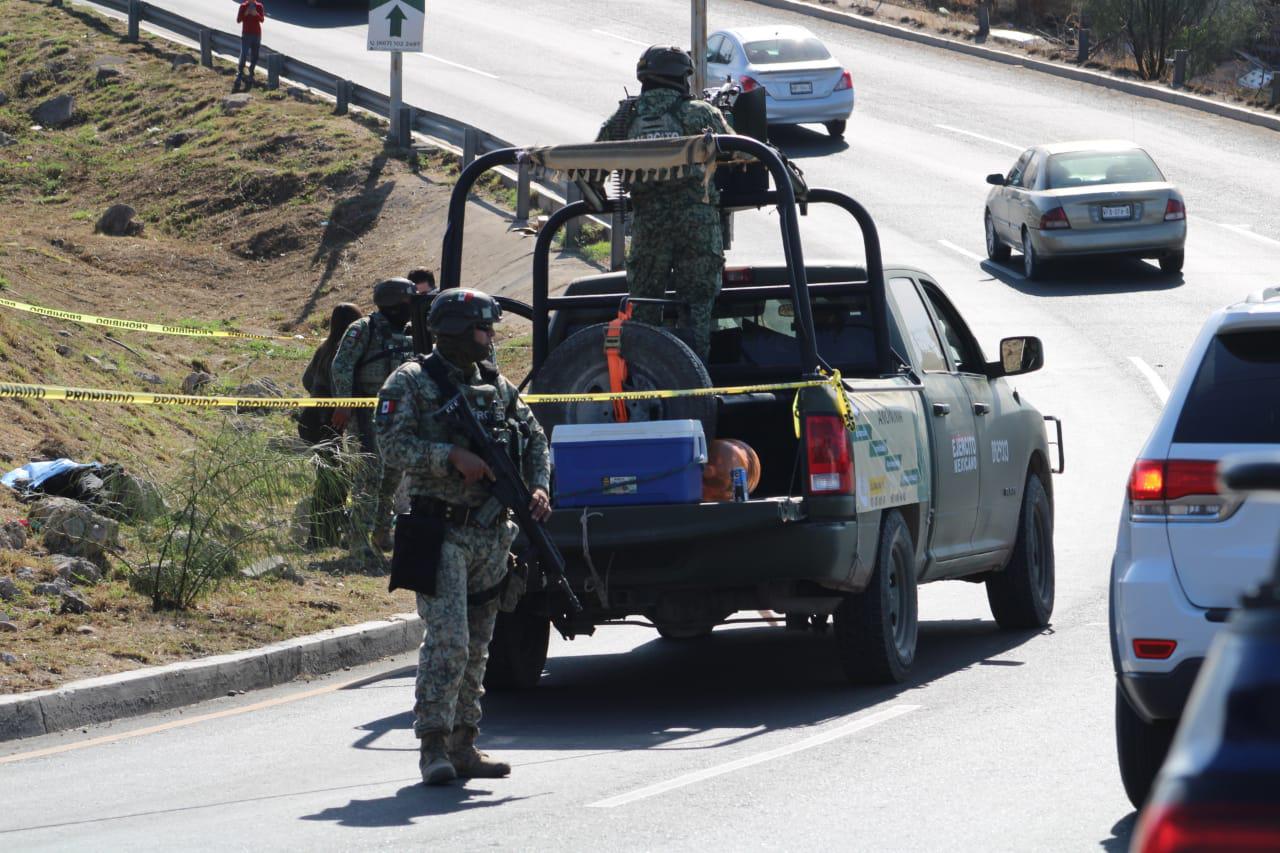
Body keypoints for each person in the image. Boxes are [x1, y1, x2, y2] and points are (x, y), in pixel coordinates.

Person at [376, 288, 551, 786]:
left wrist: (538, 485)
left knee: (478, 645)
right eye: (483, 327)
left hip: (490, 536)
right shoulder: (410, 382)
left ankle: (465, 744)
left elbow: (534, 436)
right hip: (440, 532)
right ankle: (433, 745)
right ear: (453, 329)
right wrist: (449, 456)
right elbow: (390, 445)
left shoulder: (496, 385)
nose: (491, 336)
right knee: (448, 642)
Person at [597, 44, 731, 361]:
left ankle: (648, 376)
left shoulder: (625, 118)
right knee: (697, 309)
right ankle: (696, 377)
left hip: (648, 231)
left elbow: (593, 162)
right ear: (681, 78)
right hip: (697, 233)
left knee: (643, 309)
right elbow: (740, 151)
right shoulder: (699, 113)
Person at [330, 278, 416, 565]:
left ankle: (381, 532)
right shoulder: (362, 329)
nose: (410, 308)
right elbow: (341, 366)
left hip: (400, 416)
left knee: (391, 477)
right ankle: (357, 540)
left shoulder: (412, 332)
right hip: (367, 414)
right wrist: (344, 403)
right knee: (369, 477)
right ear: (393, 304)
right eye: (406, 303)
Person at [300, 302, 362, 548]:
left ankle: (324, 535)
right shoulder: (343, 354)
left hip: (312, 420)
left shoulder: (323, 348)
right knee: (333, 482)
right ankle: (321, 538)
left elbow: (306, 380)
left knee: (330, 479)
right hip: (328, 423)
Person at [233, 0, 265, 92]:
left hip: (257, 35)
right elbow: (238, 20)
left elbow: (262, 20)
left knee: (255, 55)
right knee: (244, 54)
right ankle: (240, 71)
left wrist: (256, 14)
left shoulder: (259, 6)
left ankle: (251, 70)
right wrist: (246, 13)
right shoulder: (243, 6)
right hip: (246, 34)